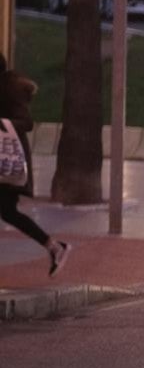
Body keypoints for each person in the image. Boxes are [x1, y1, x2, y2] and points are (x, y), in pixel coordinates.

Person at [0, 67, 71, 275]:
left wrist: (2, 124)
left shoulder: (9, 89)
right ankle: (54, 246)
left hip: (8, 161)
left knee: (8, 211)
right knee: (8, 212)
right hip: (5, 163)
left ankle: (55, 246)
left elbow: (27, 123)